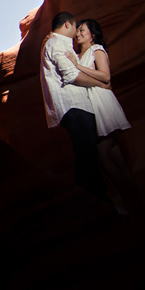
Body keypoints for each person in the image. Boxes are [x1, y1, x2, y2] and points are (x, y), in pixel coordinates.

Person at [65, 19, 141, 213]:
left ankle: (130, 202)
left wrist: (77, 66)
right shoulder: (79, 54)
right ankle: (136, 201)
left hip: (101, 101)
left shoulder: (97, 50)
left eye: (82, 30)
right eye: (78, 31)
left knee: (102, 155)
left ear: (93, 34)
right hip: (93, 101)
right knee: (117, 156)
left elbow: (106, 76)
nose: (78, 34)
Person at [40, 12, 111, 202]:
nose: (77, 31)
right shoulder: (58, 44)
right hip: (75, 105)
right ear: (67, 25)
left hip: (78, 106)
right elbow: (71, 75)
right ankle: (93, 200)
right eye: (76, 27)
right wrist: (100, 84)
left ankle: (95, 199)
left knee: (88, 154)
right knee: (87, 155)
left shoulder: (57, 43)